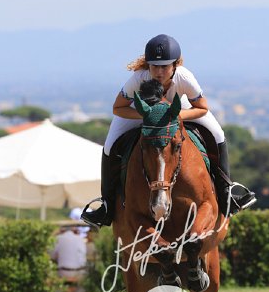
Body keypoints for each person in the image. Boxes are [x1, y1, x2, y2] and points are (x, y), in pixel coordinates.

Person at [81, 34, 256, 229]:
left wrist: (175, 116)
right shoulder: (138, 78)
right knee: (109, 146)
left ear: (175, 65)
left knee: (218, 134)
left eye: (164, 66)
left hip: (180, 109)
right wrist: (148, 116)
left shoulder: (184, 77)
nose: (159, 72)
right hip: (141, 113)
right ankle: (106, 205)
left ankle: (226, 191)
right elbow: (118, 108)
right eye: (154, 66)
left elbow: (202, 107)